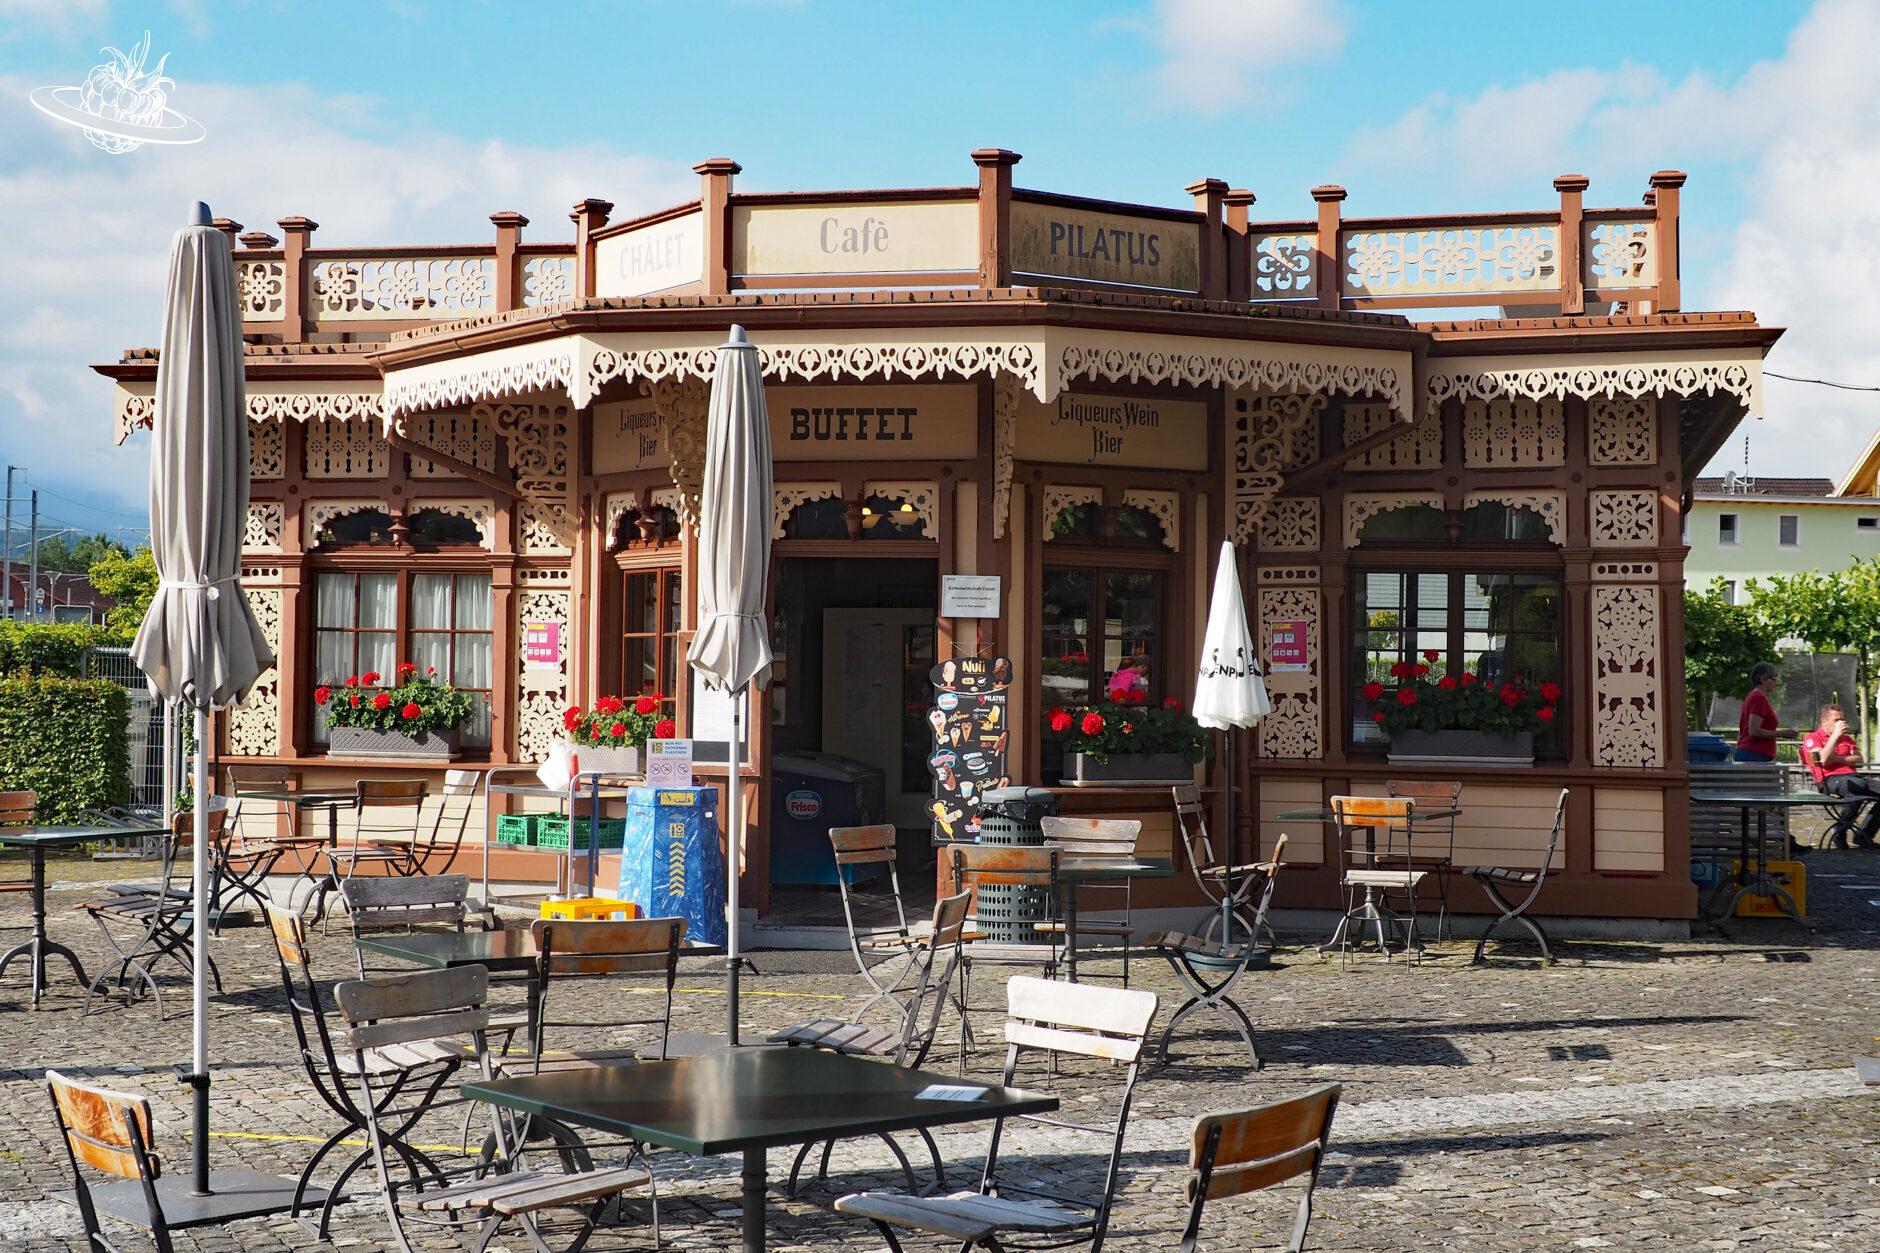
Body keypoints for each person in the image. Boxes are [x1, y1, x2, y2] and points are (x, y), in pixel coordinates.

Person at [1802, 704, 1880, 849]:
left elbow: (1859, 760)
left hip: (1853, 777)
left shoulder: (1847, 739)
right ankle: (1840, 831)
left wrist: (1836, 758)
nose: (1841, 723)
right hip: (1828, 780)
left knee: (1860, 785)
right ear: (1824, 721)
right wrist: (1835, 737)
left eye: (1842, 719)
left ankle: (1864, 835)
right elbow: (1823, 760)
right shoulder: (1812, 738)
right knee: (1857, 786)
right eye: (1836, 720)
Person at [1734, 662, 1781, 763]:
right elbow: (1754, 730)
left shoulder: (1753, 696)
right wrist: (1782, 733)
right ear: (1763, 679)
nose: (1775, 683)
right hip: (1754, 754)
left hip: (1750, 752)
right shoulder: (1758, 697)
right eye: (1773, 679)